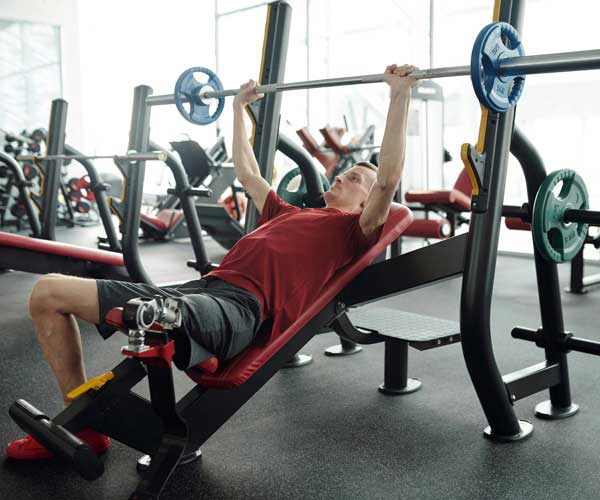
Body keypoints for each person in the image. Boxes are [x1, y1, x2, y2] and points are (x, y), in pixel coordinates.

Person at [6, 64, 418, 459]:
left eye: (354, 178)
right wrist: (237, 109)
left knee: (161, 313)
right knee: (47, 292)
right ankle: (83, 426)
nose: (341, 176)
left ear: (366, 201)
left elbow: (387, 181)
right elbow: (248, 172)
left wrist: (399, 96)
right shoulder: (288, 213)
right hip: (199, 292)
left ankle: (188, 335)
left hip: (237, 308)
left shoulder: (351, 231)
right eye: (345, 172)